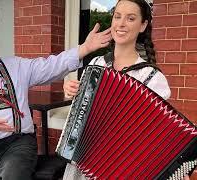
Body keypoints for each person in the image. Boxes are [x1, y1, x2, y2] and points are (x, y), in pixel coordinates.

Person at [0, 14, 111, 180]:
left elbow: (51, 66)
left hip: (16, 145)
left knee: (15, 176)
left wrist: (85, 48)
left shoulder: (14, 66)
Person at [62, 0, 171, 179]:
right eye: (117, 16)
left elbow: (156, 136)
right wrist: (72, 92)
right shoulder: (96, 64)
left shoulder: (152, 78)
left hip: (123, 167)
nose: (121, 23)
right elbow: (81, 113)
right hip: (84, 158)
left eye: (130, 18)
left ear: (143, 25)